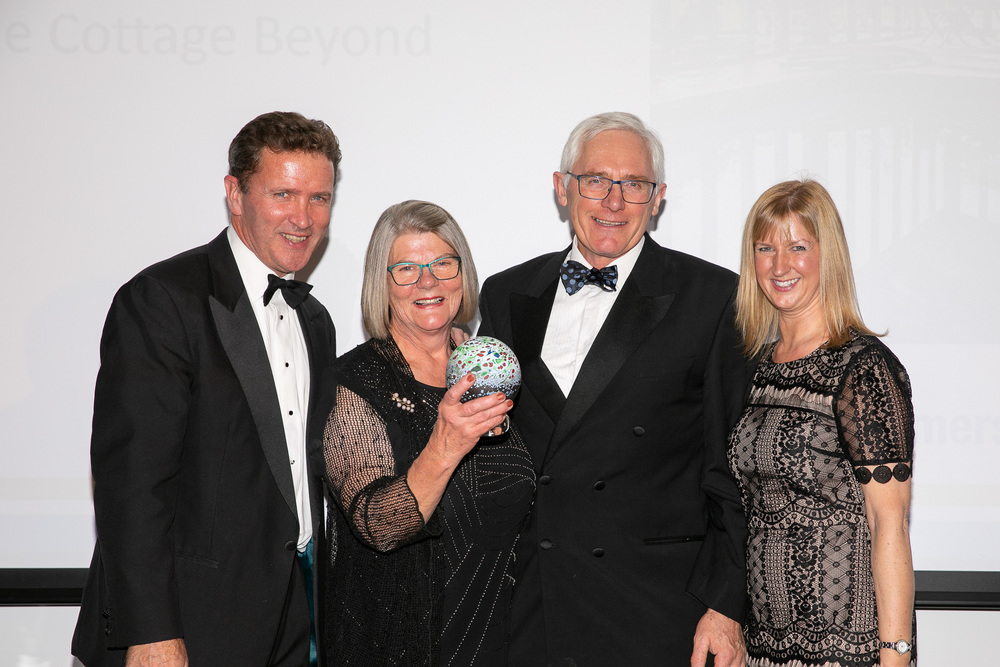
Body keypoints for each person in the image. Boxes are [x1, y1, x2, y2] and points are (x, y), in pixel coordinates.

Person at [477, 112, 749, 666]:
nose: (614, 200)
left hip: (655, 607)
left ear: (658, 199)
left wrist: (726, 607)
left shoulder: (713, 297)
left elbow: (733, 471)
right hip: (533, 602)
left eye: (635, 185)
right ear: (562, 188)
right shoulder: (506, 293)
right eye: (596, 180)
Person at [72, 111, 341, 667]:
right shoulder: (162, 301)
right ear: (235, 194)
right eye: (283, 194)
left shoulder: (315, 321)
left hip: (292, 623)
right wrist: (150, 632)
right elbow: (132, 486)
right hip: (187, 628)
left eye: (319, 198)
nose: (303, 217)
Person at [320, 200, 535, 665]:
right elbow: (378, 525)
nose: (428, 281)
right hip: (404, 642)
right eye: (407, 268)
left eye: (443, 263)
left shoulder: (494, 364)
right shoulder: (351, 383)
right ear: (383, 284)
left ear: (463, 274)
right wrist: (445, 444)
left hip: (508, 635)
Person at [727, 179, 916, 667]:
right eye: (765, 248)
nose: (780, 265)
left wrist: (895, 657)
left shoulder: (863, 367)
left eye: (798, 247)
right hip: (763, 648)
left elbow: (888, 522)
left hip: (847, 652)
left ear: (826, 255)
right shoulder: (754, 367)